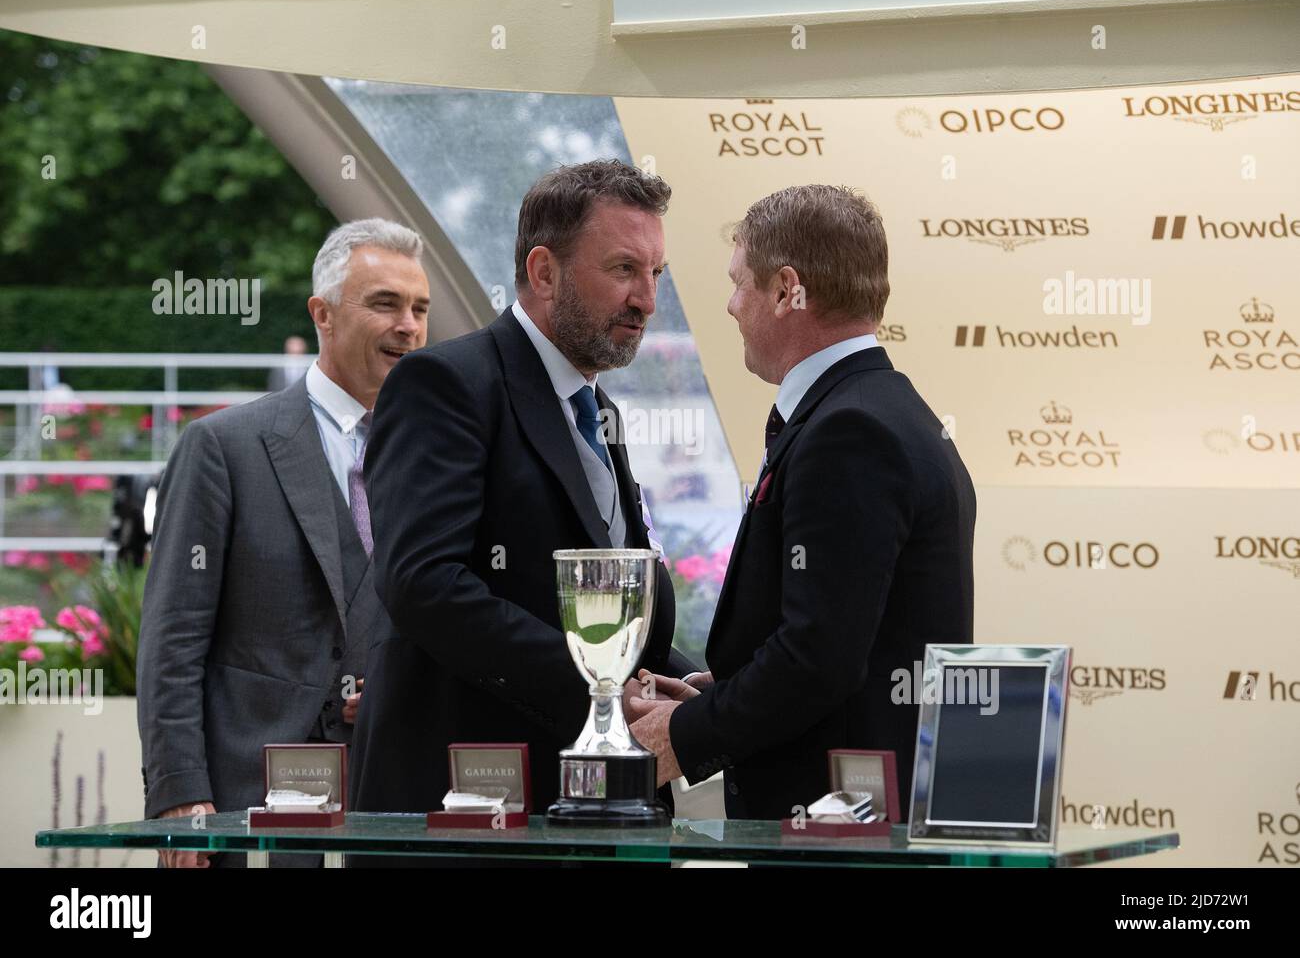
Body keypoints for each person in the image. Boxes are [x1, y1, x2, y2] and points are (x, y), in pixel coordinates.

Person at [350, 160, 697, 822]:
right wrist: (602, 692)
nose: (647, 300)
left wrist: (691, 683)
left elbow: (606, 598)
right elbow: (425, 583)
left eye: (657, 274)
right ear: (544, 272)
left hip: (593, 808)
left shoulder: (597, 410)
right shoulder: (444, 384)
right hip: (471, 818)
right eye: (625, 269)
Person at [629, 185, 976, 820]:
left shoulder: (851, 431)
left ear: (789, 289)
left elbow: (819, 659)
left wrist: (681, 736)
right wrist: (723, 692)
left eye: (739, 283)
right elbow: (849, 637)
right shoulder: (882, 411)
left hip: (834, 830)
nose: (731, 307)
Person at [136, 218, 429, 865]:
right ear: (321, 314)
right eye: (385, 303)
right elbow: (172, 637)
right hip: (246, 816)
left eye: (419, 308)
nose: (409, 325)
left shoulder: (440, 459)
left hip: (393, 815)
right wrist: (180, 795)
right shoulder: (222, 447)